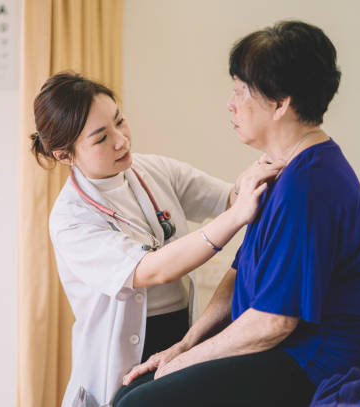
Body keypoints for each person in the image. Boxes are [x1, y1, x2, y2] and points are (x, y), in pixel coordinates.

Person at [115, 20, 360, 407]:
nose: (231, 102)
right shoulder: (279, 167)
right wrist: (186, 344)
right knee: (132, 391)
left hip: (320, 358)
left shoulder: (308, 184)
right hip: (284, 344)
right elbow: (241, 271)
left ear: (280, 103)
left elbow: (274, 322)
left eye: (242, 90)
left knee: (139, 403)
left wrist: (183, 362)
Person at [30, 71, 283, 407]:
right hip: (118, 362)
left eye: (120, 122)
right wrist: (236, 217)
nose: (121, 140)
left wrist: (269, 167)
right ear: (65, 155)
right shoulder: (70, 219)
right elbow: (151, 271)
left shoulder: (153, 171)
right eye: (101, 138)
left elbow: (231, 197)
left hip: (177, 337)